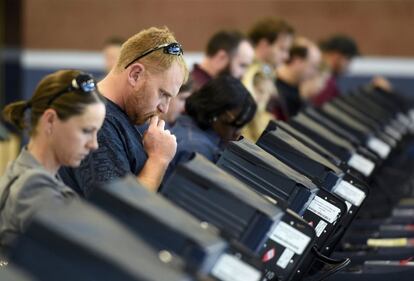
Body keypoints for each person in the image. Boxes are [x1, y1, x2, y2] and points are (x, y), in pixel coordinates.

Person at [59, 27, 188, 196]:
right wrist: (158, 160)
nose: (164, 108)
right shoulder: (98, 124)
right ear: (135, 75)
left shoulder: (129, 114)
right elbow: (119, 212)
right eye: (162, 94)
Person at [0, 70, 106, 247]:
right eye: (87, 131)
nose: (94, 144)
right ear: (50, 120)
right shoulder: (33, 187)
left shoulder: (22, 171)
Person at [165, 75, 256, 180]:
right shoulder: (198, 148)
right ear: (219, 115)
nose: (238, 133)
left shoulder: (185, 122)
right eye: (236, 124)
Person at [275, 38, 322, 120]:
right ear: (298, 61)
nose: (314, 73)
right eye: (313, 66)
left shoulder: (298, 88)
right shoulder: (274, 87)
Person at [311, 34, 359, 106]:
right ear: (336, 56)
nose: (349, 65)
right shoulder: (324, 80)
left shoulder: (326, 77)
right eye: (349, 59)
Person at [242, 64, 277, 142]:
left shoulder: (268, 120)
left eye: (268, 93)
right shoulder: (238, 117)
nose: (264, 97)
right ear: (248, 86)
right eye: (260, 91)